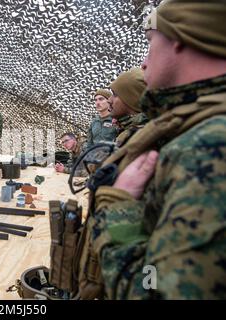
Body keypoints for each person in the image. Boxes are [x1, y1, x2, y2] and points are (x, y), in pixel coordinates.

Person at [90, 0, 226, 299]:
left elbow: (154, 291)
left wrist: (118, 208)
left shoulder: (208, 146)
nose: (142, 62)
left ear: (179, 39)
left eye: (151, 42)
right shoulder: (187, 128)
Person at [108, 67, 148, 147]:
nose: (109, 100)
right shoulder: (127, 129)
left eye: (115, 95)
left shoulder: (137, 137)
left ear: (131, 99)